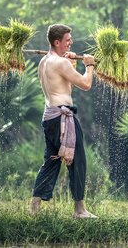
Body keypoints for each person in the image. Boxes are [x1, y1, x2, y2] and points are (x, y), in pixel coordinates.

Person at [28, 24, 97, 219]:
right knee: (78, 161)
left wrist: (73, 65)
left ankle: (34, 207)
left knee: (51, 161)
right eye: (67, 40)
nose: (71, 43)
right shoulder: (61, 63)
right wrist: (89, 65)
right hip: (63, 119)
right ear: (57, 42)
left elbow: (63, 87)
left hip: (49, 117)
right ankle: (80, 210)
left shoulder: (44, 61)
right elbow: (85, 84)